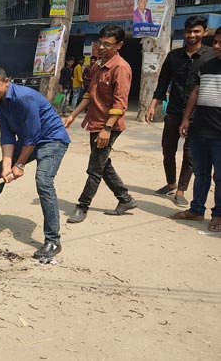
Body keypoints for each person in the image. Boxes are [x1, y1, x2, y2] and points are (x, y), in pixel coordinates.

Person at [0, 66, 70, 259]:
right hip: (29, 140)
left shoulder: (24, 98)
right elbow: (7, 136)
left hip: (52, 140)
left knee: (44, 182)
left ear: (7, 82)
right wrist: (7, 166)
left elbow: (32, 137)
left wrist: (19, 166)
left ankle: (53, 241)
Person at [64, 25, 137, 224]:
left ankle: (82, 206)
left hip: (108, 125)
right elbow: (89, 95)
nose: (102, 47)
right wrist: (73, 116)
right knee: (102, 164)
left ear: (119, 45)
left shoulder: (121, 68)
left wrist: (107, 129)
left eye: (107, 44)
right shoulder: (97, 66)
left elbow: (120, 103)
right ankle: (125, 199)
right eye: (100, 43)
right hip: (95, 122)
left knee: (95, 168)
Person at [145, 15, 214, 206]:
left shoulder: (210, 56)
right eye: (189, 31)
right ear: (184, 33)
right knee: (168, 149)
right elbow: (163, 83)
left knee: (190, 153)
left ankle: (181, 191)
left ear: (204, 32)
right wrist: (153, 105)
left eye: (196, 31)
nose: (192, 35)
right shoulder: (173, 56)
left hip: (198, 115)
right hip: (174, 111)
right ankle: (171, 183)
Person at [171, 28, 221, 232]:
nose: (216, 46)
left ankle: (218, 215)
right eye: (216, 42)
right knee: (200, 173)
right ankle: (196, 210)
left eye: (220, 43)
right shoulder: (207, 65)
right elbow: (196, 92)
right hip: (200, 129)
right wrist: (185, 119)